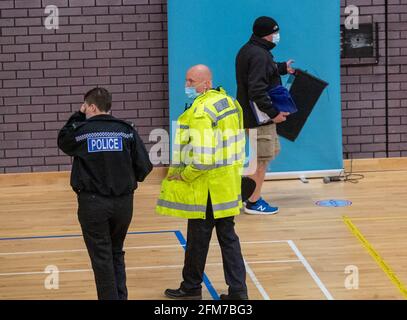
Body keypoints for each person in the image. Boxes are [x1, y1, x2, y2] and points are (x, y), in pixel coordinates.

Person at [156, 65, 248, 300]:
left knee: (197, 240)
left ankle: (191, 287)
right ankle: (238, 291)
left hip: (207, 189)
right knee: (228, 239)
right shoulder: (230, 102)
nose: (187, 86)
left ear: (206, 83)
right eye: (186, 80)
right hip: (227, 185)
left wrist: (184, 175)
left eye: (191, 81)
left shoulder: (201, 111)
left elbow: (204, 158)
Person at [58, 87, 153, 300]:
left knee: (101, 257)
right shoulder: (126, 130)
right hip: (123, 204)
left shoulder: (81, 131)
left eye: (85, 107)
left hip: (93, 203)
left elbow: (62, 140)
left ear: (90, 106)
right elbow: (144, 167)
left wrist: (77, 114)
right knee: (116, 251)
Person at [236, 16, 296, 215]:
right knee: (261, 159)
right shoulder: (260, 55)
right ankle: (253, 201)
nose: (277, 36)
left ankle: (247, 191)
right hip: (259, 118)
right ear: (267, 34)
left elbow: (260, 72)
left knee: (269, 153)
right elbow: (257, 91)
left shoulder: (252, 50)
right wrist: (274, 113)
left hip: (256, 117)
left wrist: (281, 68)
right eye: (275, 32)